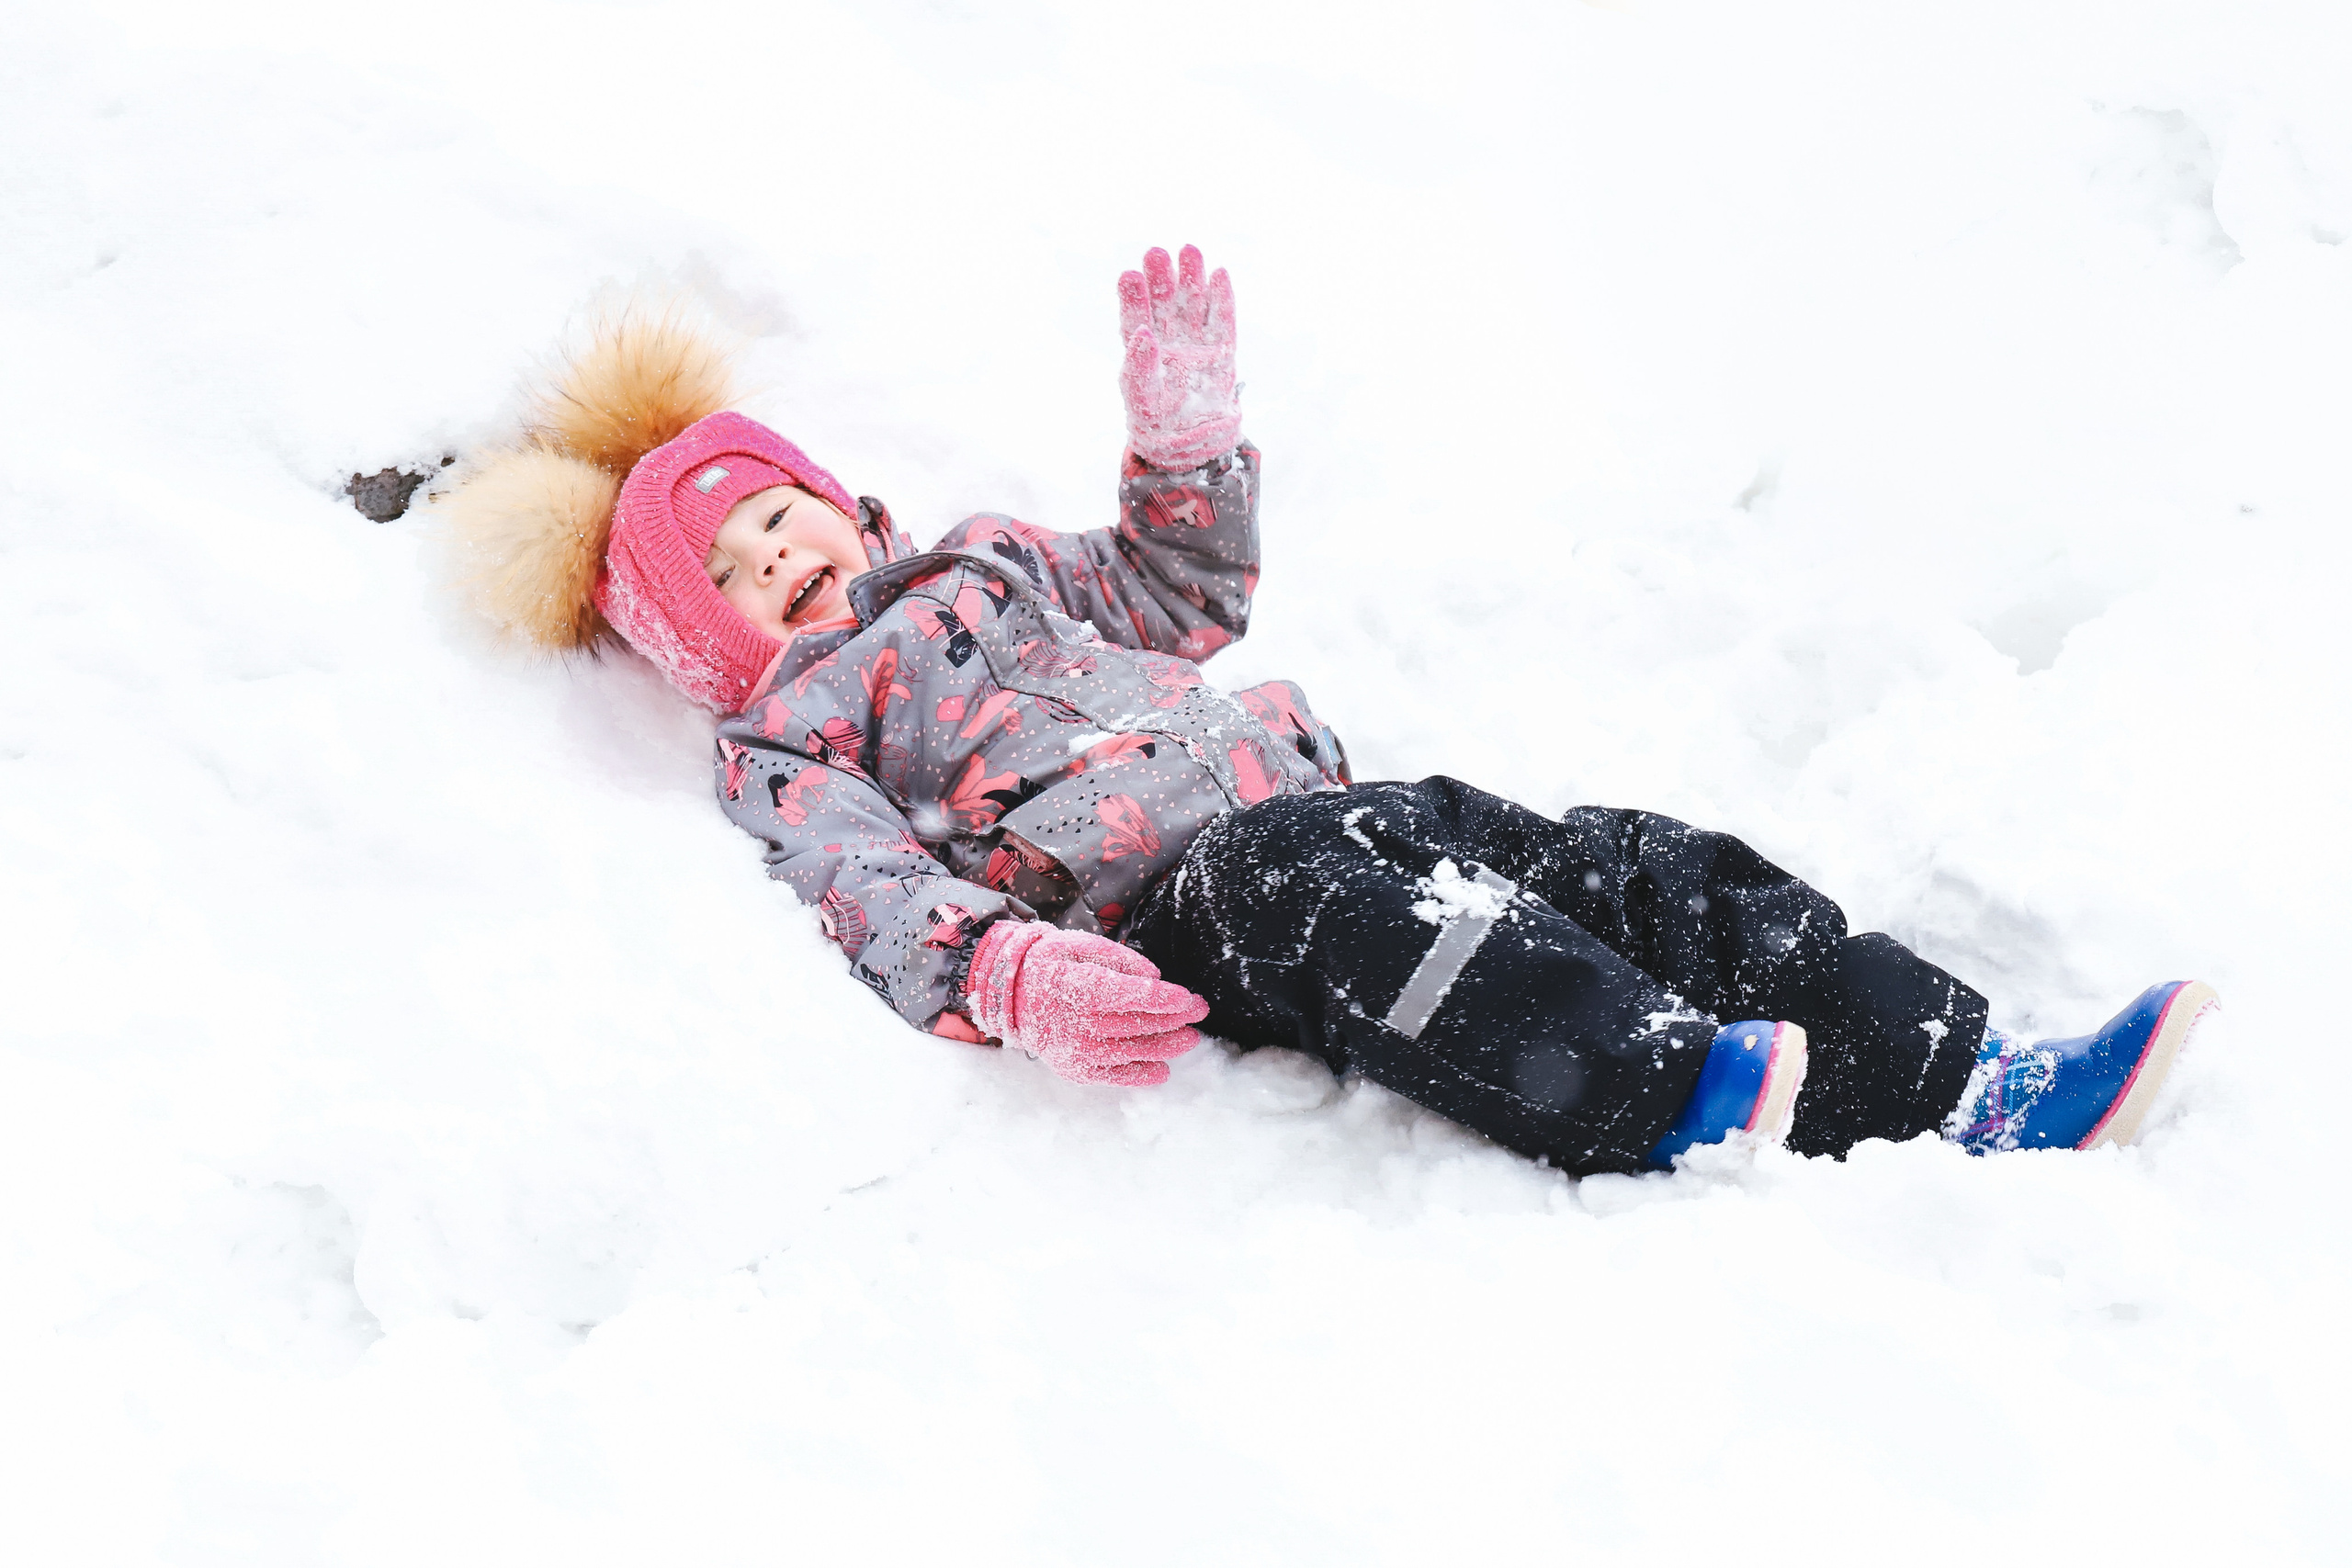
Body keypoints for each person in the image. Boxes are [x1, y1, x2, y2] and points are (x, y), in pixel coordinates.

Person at [440, 247, 2217, 1177]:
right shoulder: (798, 740)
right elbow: (864, 887)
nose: (782, 566)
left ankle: (1959, 1071)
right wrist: (1008, 970)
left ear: (841, 502)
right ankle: (1660, 1090)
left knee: (1623, 862)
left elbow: (1185, 594)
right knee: (1381, 915)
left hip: (1340, 797)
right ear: (708, 650)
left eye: (782, 521)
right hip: (1190, 906)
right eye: (737, 580)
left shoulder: (994, 567)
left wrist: (1186, 448)